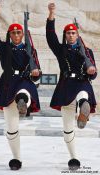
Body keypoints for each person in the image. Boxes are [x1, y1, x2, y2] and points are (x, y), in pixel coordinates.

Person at [0, 3, 41, 170]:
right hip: (8, 83)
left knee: (23, 92)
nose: (17, 34)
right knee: (11, 128)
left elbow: (38, 71)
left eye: (19, 32)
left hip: (24, 82)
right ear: (10, 34)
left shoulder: (30, 50)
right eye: (14, 32)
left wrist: (36, 73)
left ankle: (22, 102)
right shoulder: (4, 48)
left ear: (22, 34)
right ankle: (16, 159)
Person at [46, 3, 97, 170]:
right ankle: (73, 158)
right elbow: (50, 36)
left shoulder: (87, 51)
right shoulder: (61, 50)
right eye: (68, 33)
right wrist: (51, 14)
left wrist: (91, 70)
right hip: (66, 86)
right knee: (67, 128)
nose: (71, 35)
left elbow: (94, 75)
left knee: (83, 94)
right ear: (65, 35)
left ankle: (83, 109)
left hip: (82, 83)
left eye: (73, 32)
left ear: (77, 34)